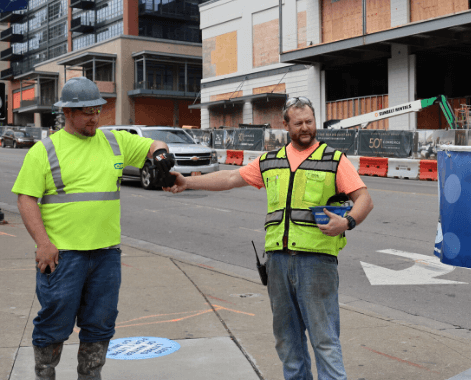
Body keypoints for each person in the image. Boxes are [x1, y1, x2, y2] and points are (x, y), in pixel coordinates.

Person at [164, 96, 373, 380]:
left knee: (324, 341)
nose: (305, 128)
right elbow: (230, 179)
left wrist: (346, 222)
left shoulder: (334, 160)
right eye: (298, 123)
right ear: (286, 126)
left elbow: (364, 199)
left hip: (317, 264)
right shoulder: (271, 161)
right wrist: (187, 181)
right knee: (287, 342)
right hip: (277, 263)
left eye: (309, 122)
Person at [12, 77, 177, 380]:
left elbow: (155, 144)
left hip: (105, 254)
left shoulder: (114, 141)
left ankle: (90, 376)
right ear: (67, 112)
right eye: (86, 112)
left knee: (100, 323)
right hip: (63, 256)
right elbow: (26, 199)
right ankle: (44, 374)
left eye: (97, 110)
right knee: (54, 322)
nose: (94, 117)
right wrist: (43, 243)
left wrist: (161, 154)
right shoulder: (45, 151)